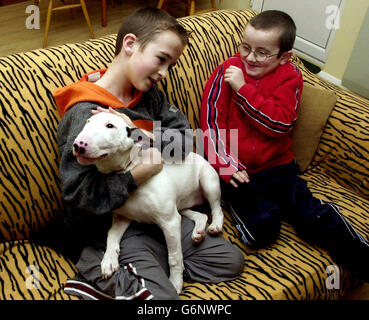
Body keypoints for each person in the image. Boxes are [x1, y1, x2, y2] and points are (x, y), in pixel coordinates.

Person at [43, 7, 244, 300]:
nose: (163, 73)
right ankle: (92, 270)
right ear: (130, 44)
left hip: (156, 214)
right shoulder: (84, 112)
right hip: (113, 227)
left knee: (230, 262)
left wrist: (140, 135)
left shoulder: (151, 98)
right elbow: (80, 196)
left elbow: (187, 144)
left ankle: (152, 264)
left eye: (170, 67)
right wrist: (139, 173)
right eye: (161, 59)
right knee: (163, 300)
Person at [200, 10, 369, 281]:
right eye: (246, 47)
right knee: (261, 232)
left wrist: (244, 90)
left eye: (262, 52)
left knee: (312, 217)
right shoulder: (226, 71)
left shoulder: (290, 77)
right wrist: (226, 166)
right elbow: (210, 122)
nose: (250, 57)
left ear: (284, 57)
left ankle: (362, 258)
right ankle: (262, 208)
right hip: (237, 172)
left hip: (279, 168)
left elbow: (279, 125)